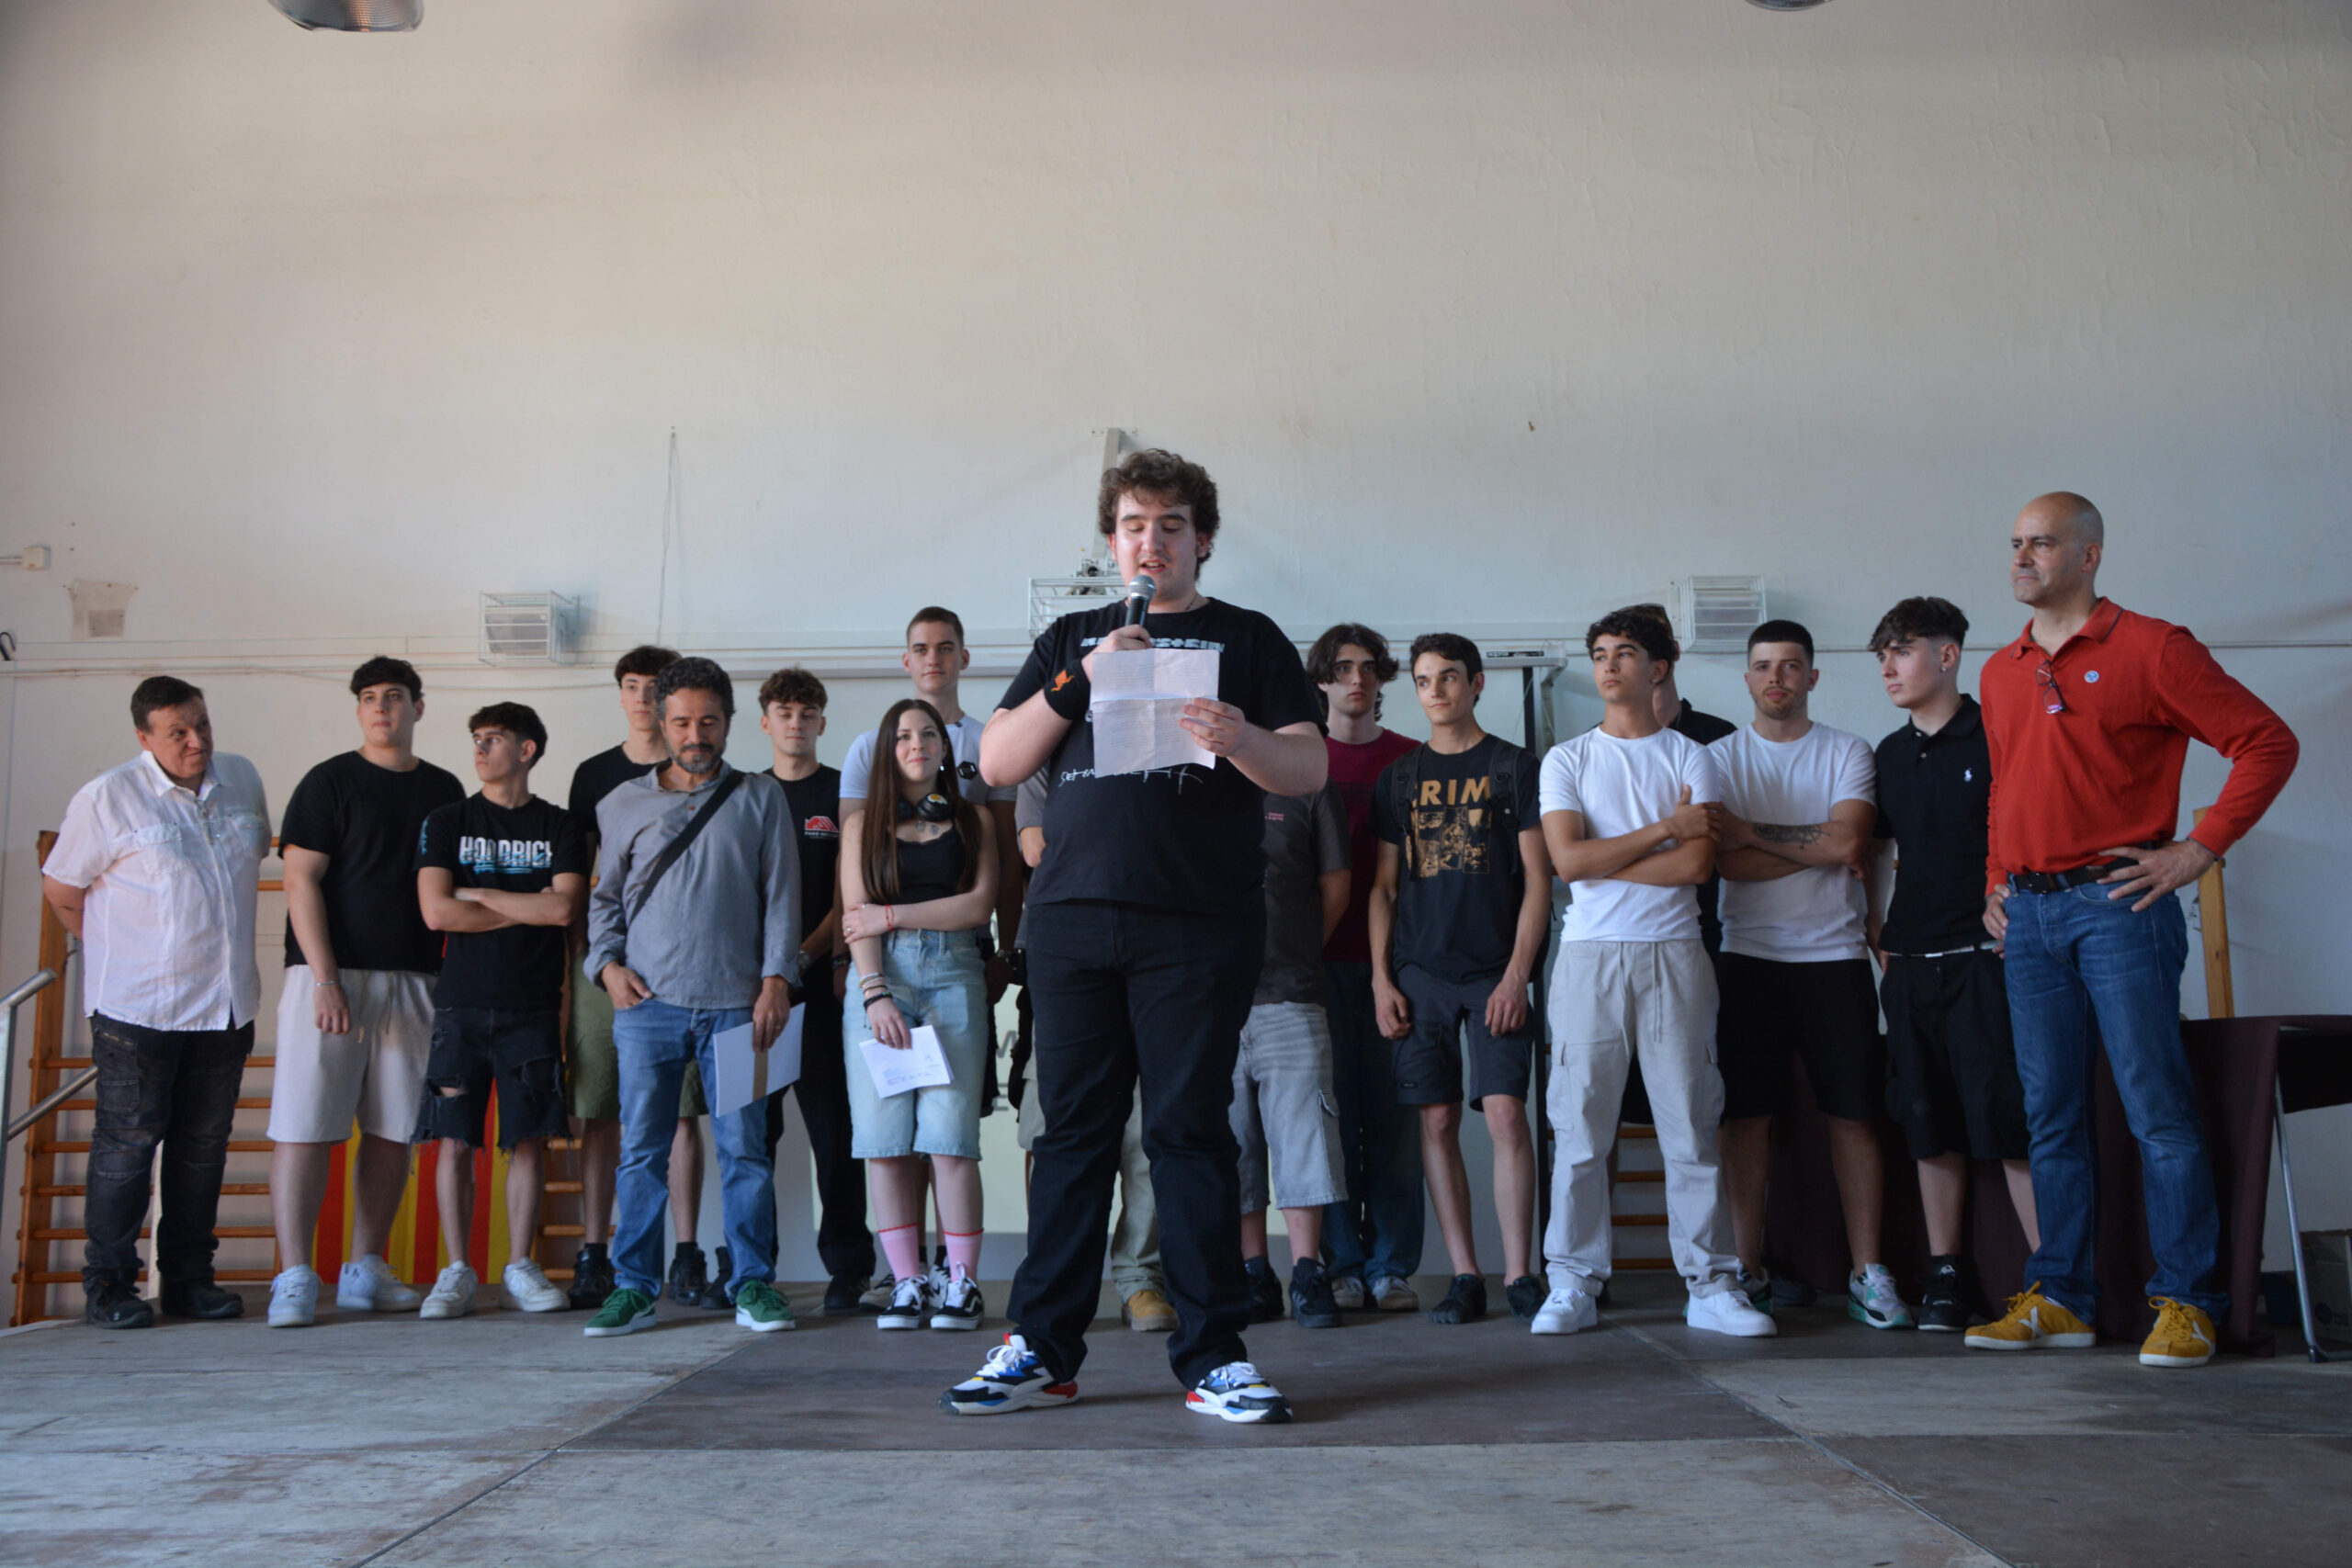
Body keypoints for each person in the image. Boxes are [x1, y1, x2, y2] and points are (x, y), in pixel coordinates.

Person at [949, 447, 1323, 1424]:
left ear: (1203, 539)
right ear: (1111, 542)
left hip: (1198, 923)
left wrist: (1242, 737)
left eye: (1170, 526)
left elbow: (1308, 767)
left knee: (1188, 1133)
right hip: (1072, 919)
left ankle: (1214, 1354)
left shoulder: (1249, 637)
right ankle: (1041, 1345)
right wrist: (1075, 682)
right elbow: (997, 760)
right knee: (1070, 1135)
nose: (1150, 542)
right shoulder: (1071, 637)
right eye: (1132, 526)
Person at [1969, 493, 2297, 1367]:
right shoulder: (2000, 670)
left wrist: (2199, 850)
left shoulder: (2154, 648)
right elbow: (2005, 785)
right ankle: (2061, 1296)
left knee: (2158, 1110)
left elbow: (2267, 742)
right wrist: (1997, 879)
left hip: (2120, 905)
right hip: (2030, 915)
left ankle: (2188, 1300)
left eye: (2042, 543)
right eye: (2015, 543)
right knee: (2050, 1115)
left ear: (2090, 556)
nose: (2021, 557)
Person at [1533, 612, 1773, 1338]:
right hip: (1589, 957)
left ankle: (1711, 1283)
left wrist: (1606, 857)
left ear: (1658, 668)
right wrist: (1664, 829)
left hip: (1675, 954)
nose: (1609, 666)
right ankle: (1572, 1281)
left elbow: (1696, 868)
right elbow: (1567, 863)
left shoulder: (1694, 756)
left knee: (1691, 1126)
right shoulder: (1567, 759)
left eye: (1626, 653)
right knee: (1580, 1129)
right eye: (1600, 654)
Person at [581, 657, 801, 1337]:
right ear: (661, 721)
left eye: (708, 721)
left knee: (747, 1151)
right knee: (641, 1152)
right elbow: (604, 900)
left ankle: (753, 1282)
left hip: (740, 1006)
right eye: (681, 722)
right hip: (647, 1008)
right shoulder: (621, 804)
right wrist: (605, 967)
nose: (695, 735)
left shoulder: (761, 797)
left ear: (729, 722)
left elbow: (782, 897)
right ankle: (633, 1288)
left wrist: (776, 981)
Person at [42, 678, 271, 1328]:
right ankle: (110, 1286)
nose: (196, 741)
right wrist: (117, 950)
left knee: (203, 1148)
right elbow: (61, 889)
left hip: (225, 1006)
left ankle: (189, 1281)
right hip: (137, 1010)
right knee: (127, 1148)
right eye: (178, 733)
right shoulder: (108, 796)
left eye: (202, 725)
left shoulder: (240, 778)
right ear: (144, 738)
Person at [1709, 622, 1908, 1329]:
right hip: (1747, 957)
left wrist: (1756, 832)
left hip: (1835, 957)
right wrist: (1815, 844)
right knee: (1745, 1121)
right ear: (1747, 678)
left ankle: (1867, 1272)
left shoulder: (1848, 750)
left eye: (1791, 666)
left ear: (1812, 677)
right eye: (1764, 666)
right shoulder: (1720, 758)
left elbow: (1851, 839)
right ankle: (1748, 1268)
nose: (1777, 678)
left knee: (1855, 1116)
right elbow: (1724, 862)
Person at [266, 657, 464, 1328]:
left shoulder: (443, 788)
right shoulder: (328, 781)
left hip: (414, 978)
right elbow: (300, 880)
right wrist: (325, 977)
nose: (382, 707)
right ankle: (295, 1275)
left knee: (394, 1128)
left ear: (418, 707)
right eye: (370, 697)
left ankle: (364, 1268)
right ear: (359, 710)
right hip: (328, 977)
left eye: (395, 696)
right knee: (304, 1125)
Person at [1864, 598, 2040, 1332]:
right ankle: (1945, 1273)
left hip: (1985, 958)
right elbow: (1876, 848)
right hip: (1910, 962)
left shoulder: (1998, 734)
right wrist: (1877, 927)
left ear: (1947, 655)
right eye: (1882, 655)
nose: (1889, 667)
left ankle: (2052, 1276)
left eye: (1902, 650)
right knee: (1925, 1119)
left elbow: (2029, 831)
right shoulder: (1887, 754)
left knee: (2009, 1119)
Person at [839, 606, 1022, 1296]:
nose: (916, 744)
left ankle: (962, 1280)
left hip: (954, 971)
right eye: (903, 736)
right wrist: (873, 991)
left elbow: (980, 902)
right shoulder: (861, 823)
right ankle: (907, 1279)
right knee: (885, 1141)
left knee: (950, 1137)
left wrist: (892, 915)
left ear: (947, 747)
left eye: (928, 735)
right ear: (885, 751)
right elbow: (854, 916)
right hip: (881, 978)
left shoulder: (974, 814)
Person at [1368, 633, 1549, 1326]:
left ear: (1476, 683)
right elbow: (1384, 888)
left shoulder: (1514, 767)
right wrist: (1383, 980)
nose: (1436, 690)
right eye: (1423, 680)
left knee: (1505, 1114)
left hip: (1494, 971)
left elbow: (1539, 880)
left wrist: (1517, 976)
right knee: (1437, 1119)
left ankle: (1522, 1273)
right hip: (1420, 973)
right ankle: (1466, 1275)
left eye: (1448, 676)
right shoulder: (1400, 778)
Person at [410, 704, 587, 1318]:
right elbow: (437, 911)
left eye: (493, 739)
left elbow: (563, 910)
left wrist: (482, 893)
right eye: (476, 739)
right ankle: (457, 1269)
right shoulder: (447, 820)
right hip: (460, 1005)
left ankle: (519, 1265)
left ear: (527, 749)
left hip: (532, 1007)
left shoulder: (560, 825)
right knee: (454, 1140)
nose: (481, 749)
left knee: (528, 1141)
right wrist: (527, 904)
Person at [563, 645, 722, 1313]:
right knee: (603, 1111)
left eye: (653, 686)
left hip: (690, 978)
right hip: (610, 972)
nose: (642, 696)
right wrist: (598, 965)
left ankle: (685, 1253)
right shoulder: (597, 776)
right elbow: (587, 883)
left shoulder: (717, 778)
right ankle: (597, 1252)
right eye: (631, 685)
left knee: (682, 1114)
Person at [1011, 766, 1176, 1334]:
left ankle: (1140, 1279)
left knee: (1145, 1133)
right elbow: (1037, 847)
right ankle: (1050, 1284)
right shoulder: (1044, 750)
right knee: (1053, 1132)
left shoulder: (1158, 746)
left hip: (1152, 954)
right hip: (1065, 958)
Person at [1306, 623, 1426, 1313]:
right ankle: (1341, 1266)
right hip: (1311, 967)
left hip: (1396, 970)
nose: (1357, 679)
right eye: (1343, 667)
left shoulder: (1411, 760)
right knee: (1326, 1122)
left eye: (1369, 668)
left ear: (1382, 679)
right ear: (1322, 678)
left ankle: (1391, 1266)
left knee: (1394, 1123)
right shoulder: (1297, 758)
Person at [755, 667, 876, 1315]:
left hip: (824, 986)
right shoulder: (747, 795)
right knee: (755, 1136)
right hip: (759, 996)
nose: (796, 723)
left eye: (807, 713)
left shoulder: (842, 792)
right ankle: (752, 1268)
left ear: (822, 722)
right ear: (766, 722)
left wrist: (804, 956)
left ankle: (849, 1269)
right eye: (784, 712)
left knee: (835, 1134)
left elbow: (851, 889)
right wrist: (772, 970)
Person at [1233, 780, 1351, 1329]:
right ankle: (1253, 1273)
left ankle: (1308, 1271)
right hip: (1212, 999)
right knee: (1232, 1144)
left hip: (1292, 992)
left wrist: (1297, 950)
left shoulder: (1307, 785)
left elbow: (1336, 886)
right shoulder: (1197, 776)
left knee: (1306, 1135)